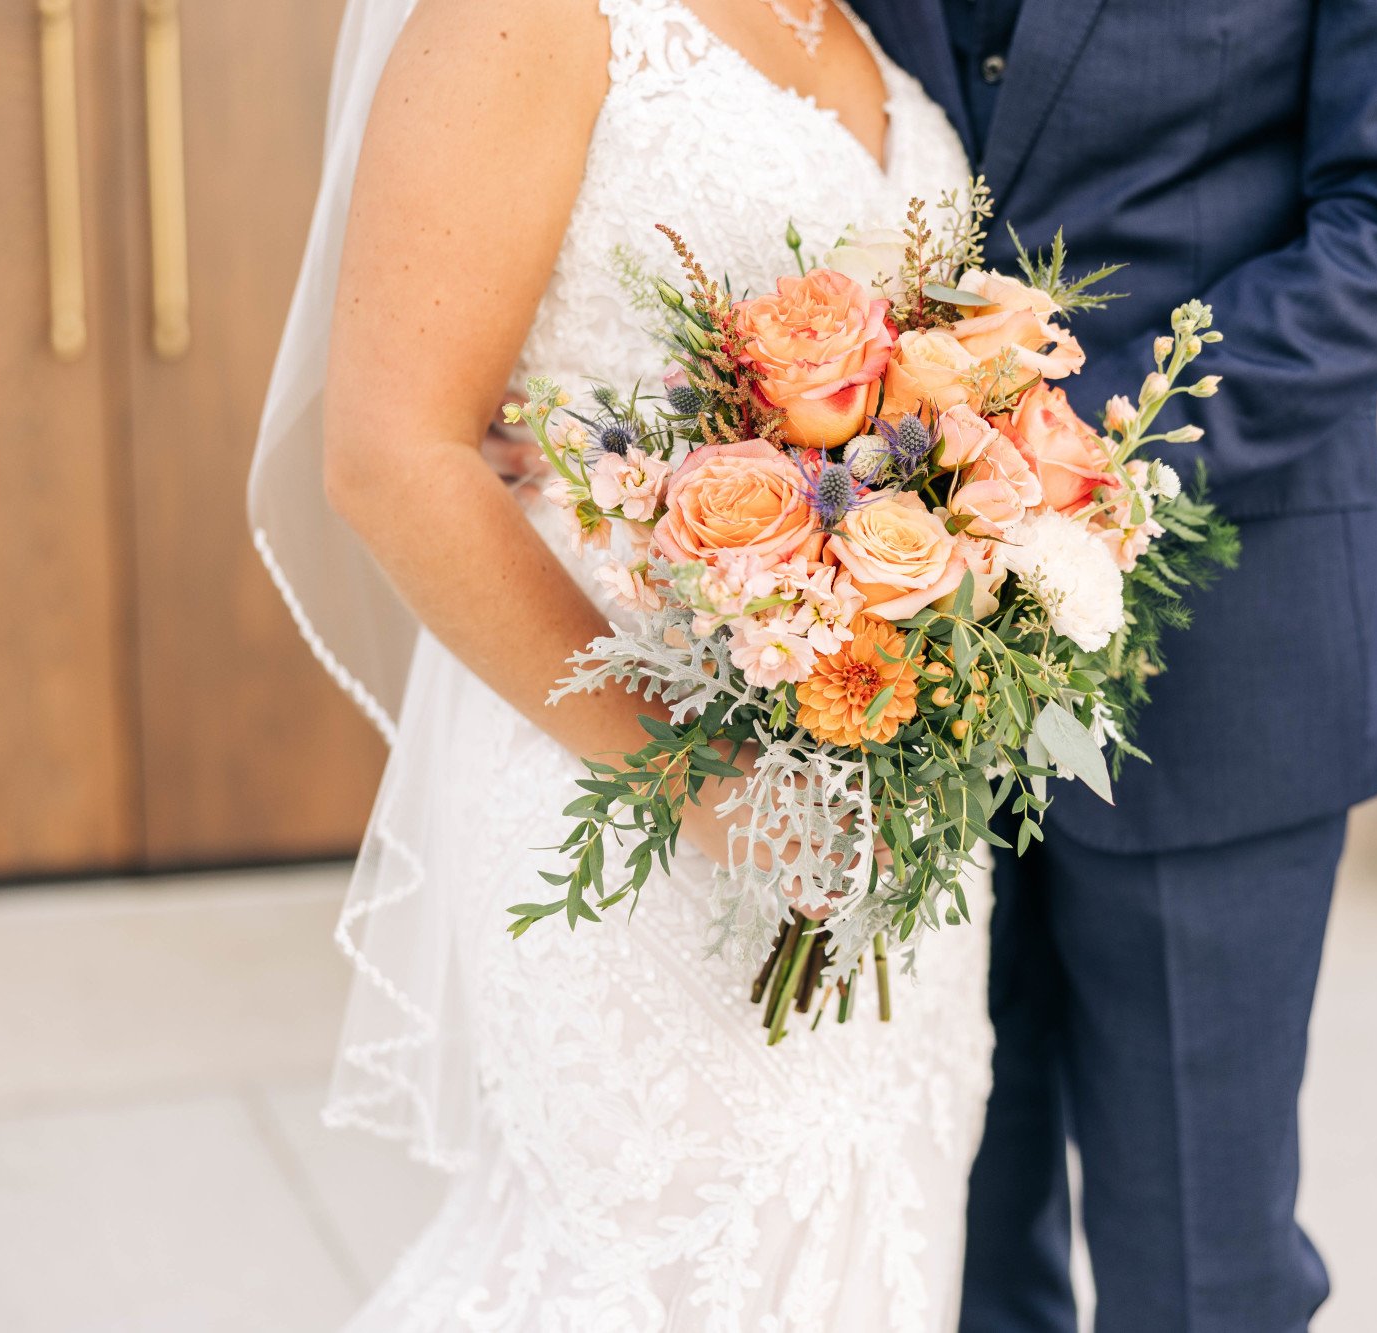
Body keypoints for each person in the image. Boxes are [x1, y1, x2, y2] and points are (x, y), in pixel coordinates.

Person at [248, 1, 994, 1327]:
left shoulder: (870, 27)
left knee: (867, 1224)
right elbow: (390, 453)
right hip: (631, 783)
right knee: (647, 1261)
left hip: (876, 794)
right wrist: (703, 778)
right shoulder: (524, 21)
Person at [848, 1, 1377, 1329]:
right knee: (942, 1256)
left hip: (1223, 651)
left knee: (1197, 1278)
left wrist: (1056, 454)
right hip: (878, 647)